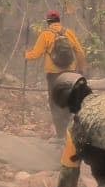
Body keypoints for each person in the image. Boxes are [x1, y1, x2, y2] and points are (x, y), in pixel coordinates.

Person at [25, 10, 88, 143]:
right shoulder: (69, 33)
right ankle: (72, 134)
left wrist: (26, 55)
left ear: (48, 22)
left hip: (54, 76)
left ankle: (60, 136)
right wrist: (80, 70)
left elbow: (36, 54)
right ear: (59, 20)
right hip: (71, 74)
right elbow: (80, 52)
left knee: (55, 104)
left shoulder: (45, 34)